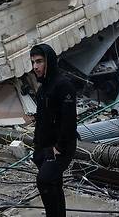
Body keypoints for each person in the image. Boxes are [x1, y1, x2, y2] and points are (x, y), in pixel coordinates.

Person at [30, 44, 77, 217]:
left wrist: (59, 148)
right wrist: (37, 147)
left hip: (60, 147)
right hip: (44, 147)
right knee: (54, 185)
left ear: (49, 61)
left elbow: (69, 121)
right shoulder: (43, 89)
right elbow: (41, 119)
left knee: (44, 181)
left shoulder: (63, 86)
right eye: (33, 62)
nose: (35, 66)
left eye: (39, 61)